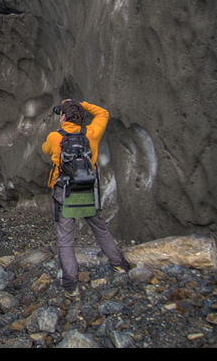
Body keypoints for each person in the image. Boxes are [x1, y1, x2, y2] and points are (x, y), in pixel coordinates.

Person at [43, 99, 130, 297]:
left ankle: (71, 287)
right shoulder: (91, 133)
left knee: (66, 240)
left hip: (63, 192)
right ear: (81, 117)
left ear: (63, 117)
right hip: (88, 191)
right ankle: (120, 265)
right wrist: (81, 104)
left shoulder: (55, 137)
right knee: (101, 231)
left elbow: (46, 150)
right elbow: (103, 113)